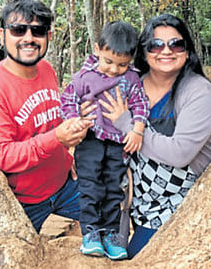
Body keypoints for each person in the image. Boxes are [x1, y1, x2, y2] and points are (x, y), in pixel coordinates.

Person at [98, 13, 211, 258]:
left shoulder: (199, 92)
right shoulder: (131, 86)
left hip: (188, 206)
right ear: (144, 52)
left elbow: (180, 154)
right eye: (156, 45)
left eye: (176, 44)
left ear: (187, 51)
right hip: (143, 208)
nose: (166, 51)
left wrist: (127, 125)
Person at [0, 0, 92, 233]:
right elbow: (2, 155)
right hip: (24, 201)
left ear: (48, 36)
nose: (28, 38)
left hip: (65, 185)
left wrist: (71, 143)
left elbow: (51, 120)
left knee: (108, 219)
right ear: (2, 34)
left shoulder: (46, 69)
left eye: (37, 30)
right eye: (18, 30)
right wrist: (56, 139)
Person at [60, 21, 149, 260]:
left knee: (113, 188)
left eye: (122, 64)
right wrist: (74, 121)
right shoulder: (84, 76)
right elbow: (67, 100)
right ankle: (90, 233)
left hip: (117, 143)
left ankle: (111, 235)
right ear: (97, 49)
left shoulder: (131, 78)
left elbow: (141, 104)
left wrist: (137, 130)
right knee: (90, 186)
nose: (113, 69)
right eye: (109, 61)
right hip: (90, 139)